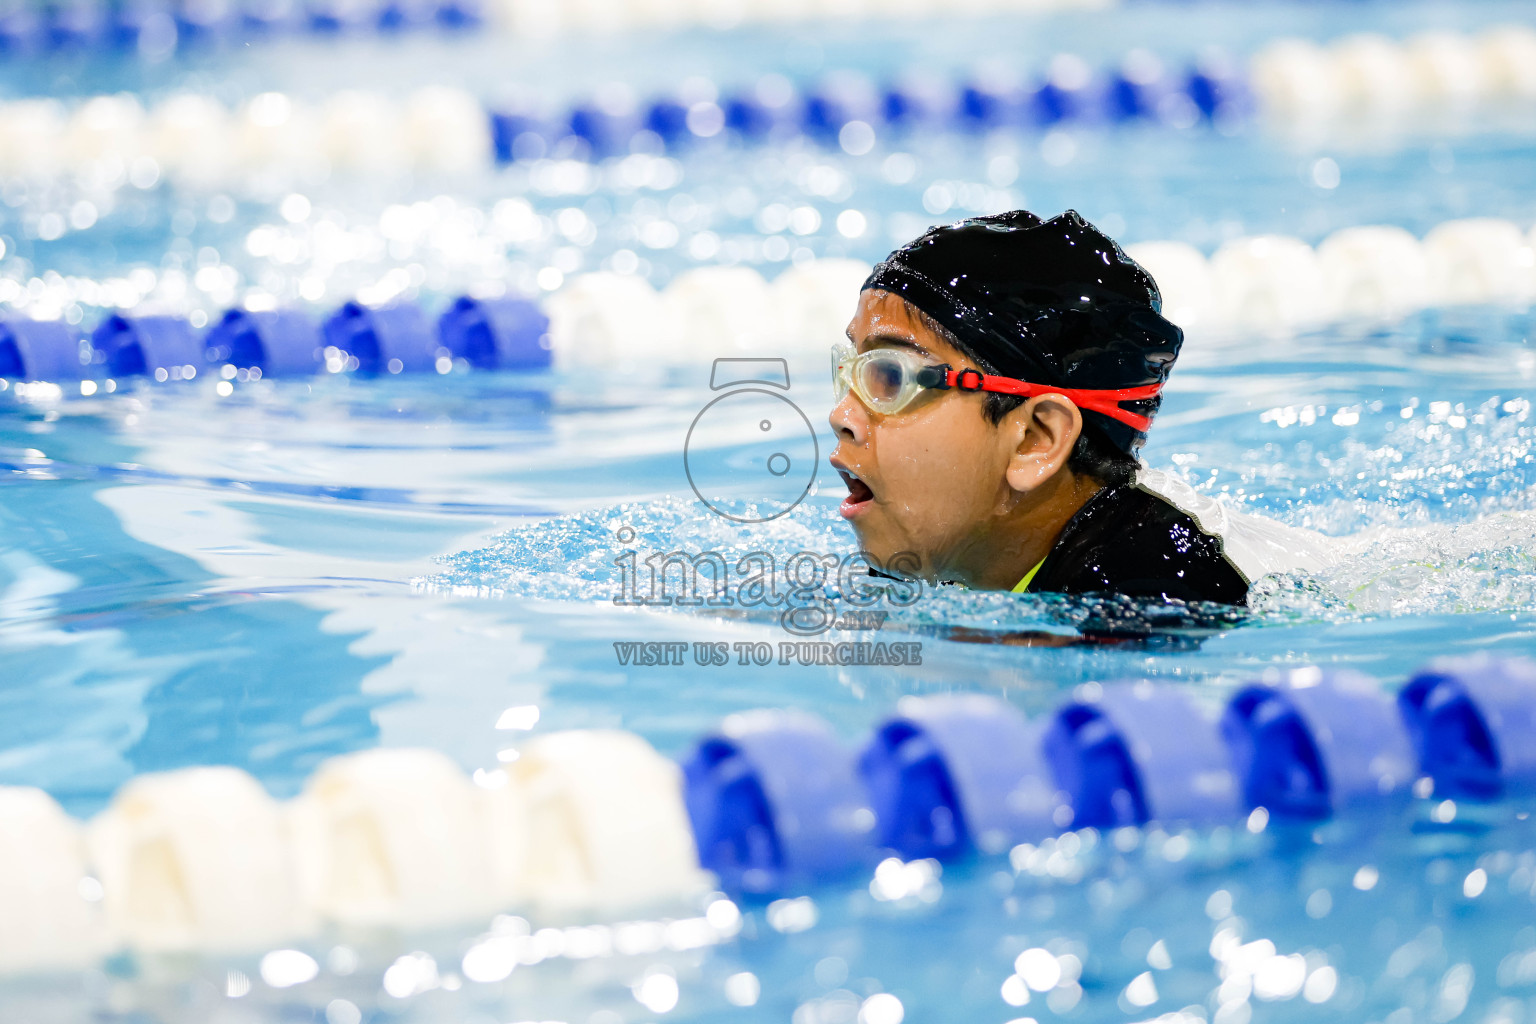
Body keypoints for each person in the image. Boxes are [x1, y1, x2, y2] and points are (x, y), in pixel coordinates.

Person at [828, 208, 1251, 611]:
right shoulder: (938, 542)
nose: (841, 417)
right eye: (850, 372)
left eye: (889, 376)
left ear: (1035, 439)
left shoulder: (1157, 600)